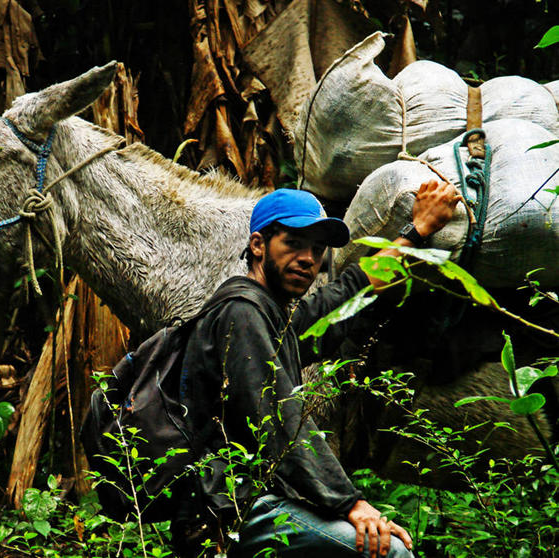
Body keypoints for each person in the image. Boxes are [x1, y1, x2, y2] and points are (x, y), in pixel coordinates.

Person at [174, 180, 459, 557]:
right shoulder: (242, 313)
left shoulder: (275, 318)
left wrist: (418, 230)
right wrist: (350, 503)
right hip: (230, 508)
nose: (309, 258)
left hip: (256, 496)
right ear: (258, 245)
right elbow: (281, 418)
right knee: (389, 552)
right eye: (293, 243)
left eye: (317, 248)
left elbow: (353, 289)